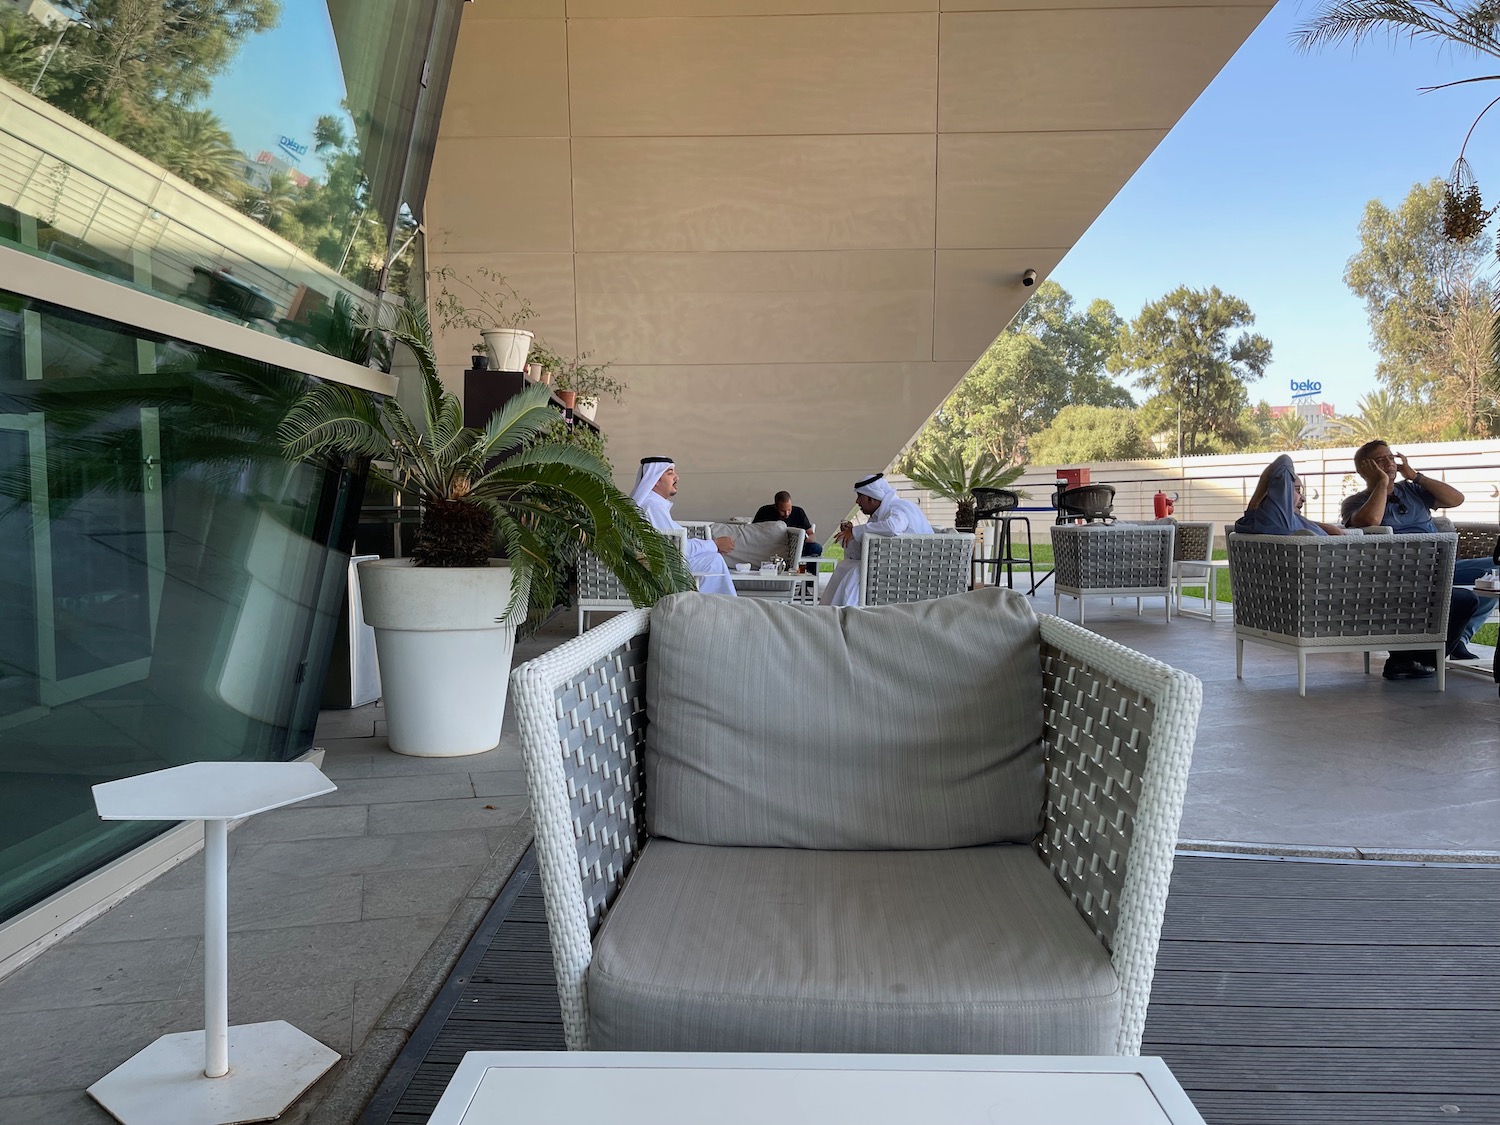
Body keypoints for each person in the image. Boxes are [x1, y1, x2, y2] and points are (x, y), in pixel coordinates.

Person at [1341, 439, 1495, 666]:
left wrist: (1415, 476)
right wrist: (1382, 483)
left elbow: (1457, 499)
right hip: (1404, 573)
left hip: (1443, 564)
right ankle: (1443, 643)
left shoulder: (1413, 490)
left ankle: (1459, 637)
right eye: (1380, 460)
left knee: (1494, 572)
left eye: (1390, 457)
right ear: (1364, 469)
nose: (1389, 463)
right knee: (1469, 590)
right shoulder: (1355, 502)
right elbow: (1370, 520)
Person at [819, 473, 933, 607]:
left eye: (860, 497)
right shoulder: (877, 517)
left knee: (855, 572)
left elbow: (893, 527)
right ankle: (831, 614)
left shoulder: (898, 507)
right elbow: (863, 554)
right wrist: (850, 536)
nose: (857, 502)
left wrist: (856, 531)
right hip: (892, 565)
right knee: (846, 566)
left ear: (872, 498)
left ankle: (846, 614)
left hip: (915, 569)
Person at [631, 457, 737, 596]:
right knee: (713, 561)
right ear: (655, 479)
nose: (677, 477)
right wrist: (714, 544)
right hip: (658, 572)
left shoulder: (652, 504)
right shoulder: (652, 506)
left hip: (661, 567)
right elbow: (676, 548)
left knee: (712, 557)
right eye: (670, 473)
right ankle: (718, 612)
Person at [1234, 454, 1346, 537]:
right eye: (1297, 490)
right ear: (1279, 494)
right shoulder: (1278, 520)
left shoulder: (1279, 520)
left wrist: (1324, 527)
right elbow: (1284, 461)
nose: (1303, 498)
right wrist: (1256, 502)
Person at [752, 491, 822, 557]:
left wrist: (807, 539)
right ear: (775, 506)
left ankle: (809, 570)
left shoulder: (799, 512)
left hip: (795, 547)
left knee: (816, 548)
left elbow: (811, 533)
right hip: (771, 546)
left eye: (789, 509)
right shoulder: (764, 511)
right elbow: (753, 530)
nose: (787, 514)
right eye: (782, 511)